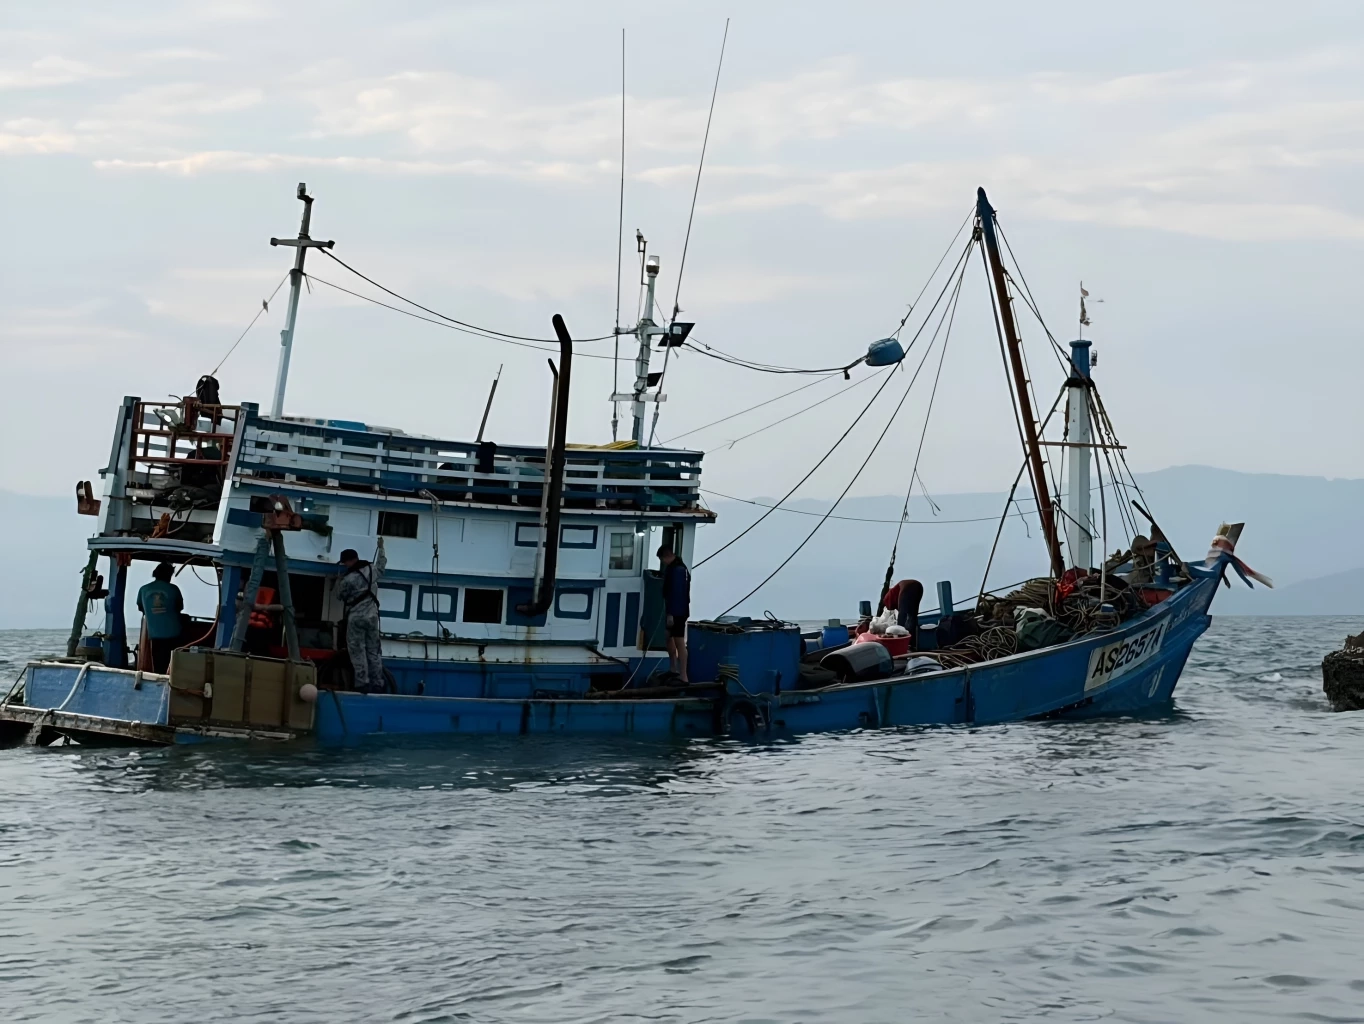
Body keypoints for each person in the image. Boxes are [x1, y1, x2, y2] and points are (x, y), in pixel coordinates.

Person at [338, 538, 387, 694]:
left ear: (348, 561)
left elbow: (340, 596)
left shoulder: (348, 579)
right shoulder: (372, 570)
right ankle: (378, 684)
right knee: (373, 650)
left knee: (357, 650)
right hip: (373, 617)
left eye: (344, 563)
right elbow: (382, 564)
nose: (344, 565)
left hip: (356, 618)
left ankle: (362, 684)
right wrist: (381, 548)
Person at [137, 562, 184, 673]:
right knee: (173, 667)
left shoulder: (143, 589)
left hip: (155, 634)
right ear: (169, 575)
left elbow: (141, 608)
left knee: (158, 667)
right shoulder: (173, 589)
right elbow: (180, 607)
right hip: (175, 633)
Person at [658, 545, 691, 683]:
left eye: (662, 559)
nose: (663, 562)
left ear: (667, 556)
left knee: (679, 642)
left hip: (678, 612)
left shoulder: (678, 570)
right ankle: (673, 669)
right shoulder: (673, 568)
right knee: (668, 637)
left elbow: (677, 594)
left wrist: (671, 614)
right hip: (673, 610)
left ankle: (683, 676)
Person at [881, 578, 924, 647]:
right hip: (919, 586)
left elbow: (897, 610)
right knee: (913, 616)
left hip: (907, 588)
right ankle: (913, 643)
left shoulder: (886, 598)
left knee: (902, 618)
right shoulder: (894, 591)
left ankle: (901, 643)